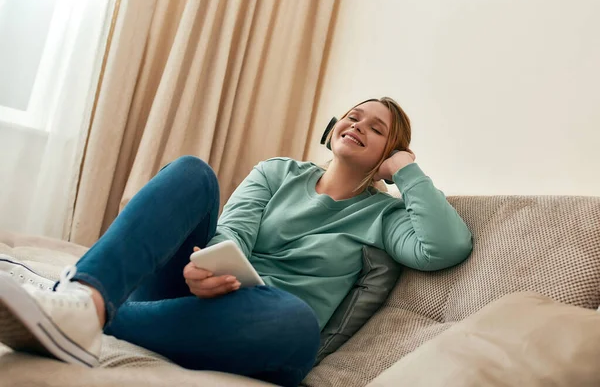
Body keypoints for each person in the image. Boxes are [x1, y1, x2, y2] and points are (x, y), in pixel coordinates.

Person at [0, 97, 472, 386]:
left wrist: (407, 172)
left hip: (263, 325)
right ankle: (87, 300)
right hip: (196, 292)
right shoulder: (276, 172)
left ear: (390, 153)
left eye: (377, 129)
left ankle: (93, 315)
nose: (358, 126)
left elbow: (445, 247)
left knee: (295, 322)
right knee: (191, 171)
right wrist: (211, 266)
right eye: (354, 116)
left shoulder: (384, 216)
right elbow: (235, 230)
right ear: (333, 129)